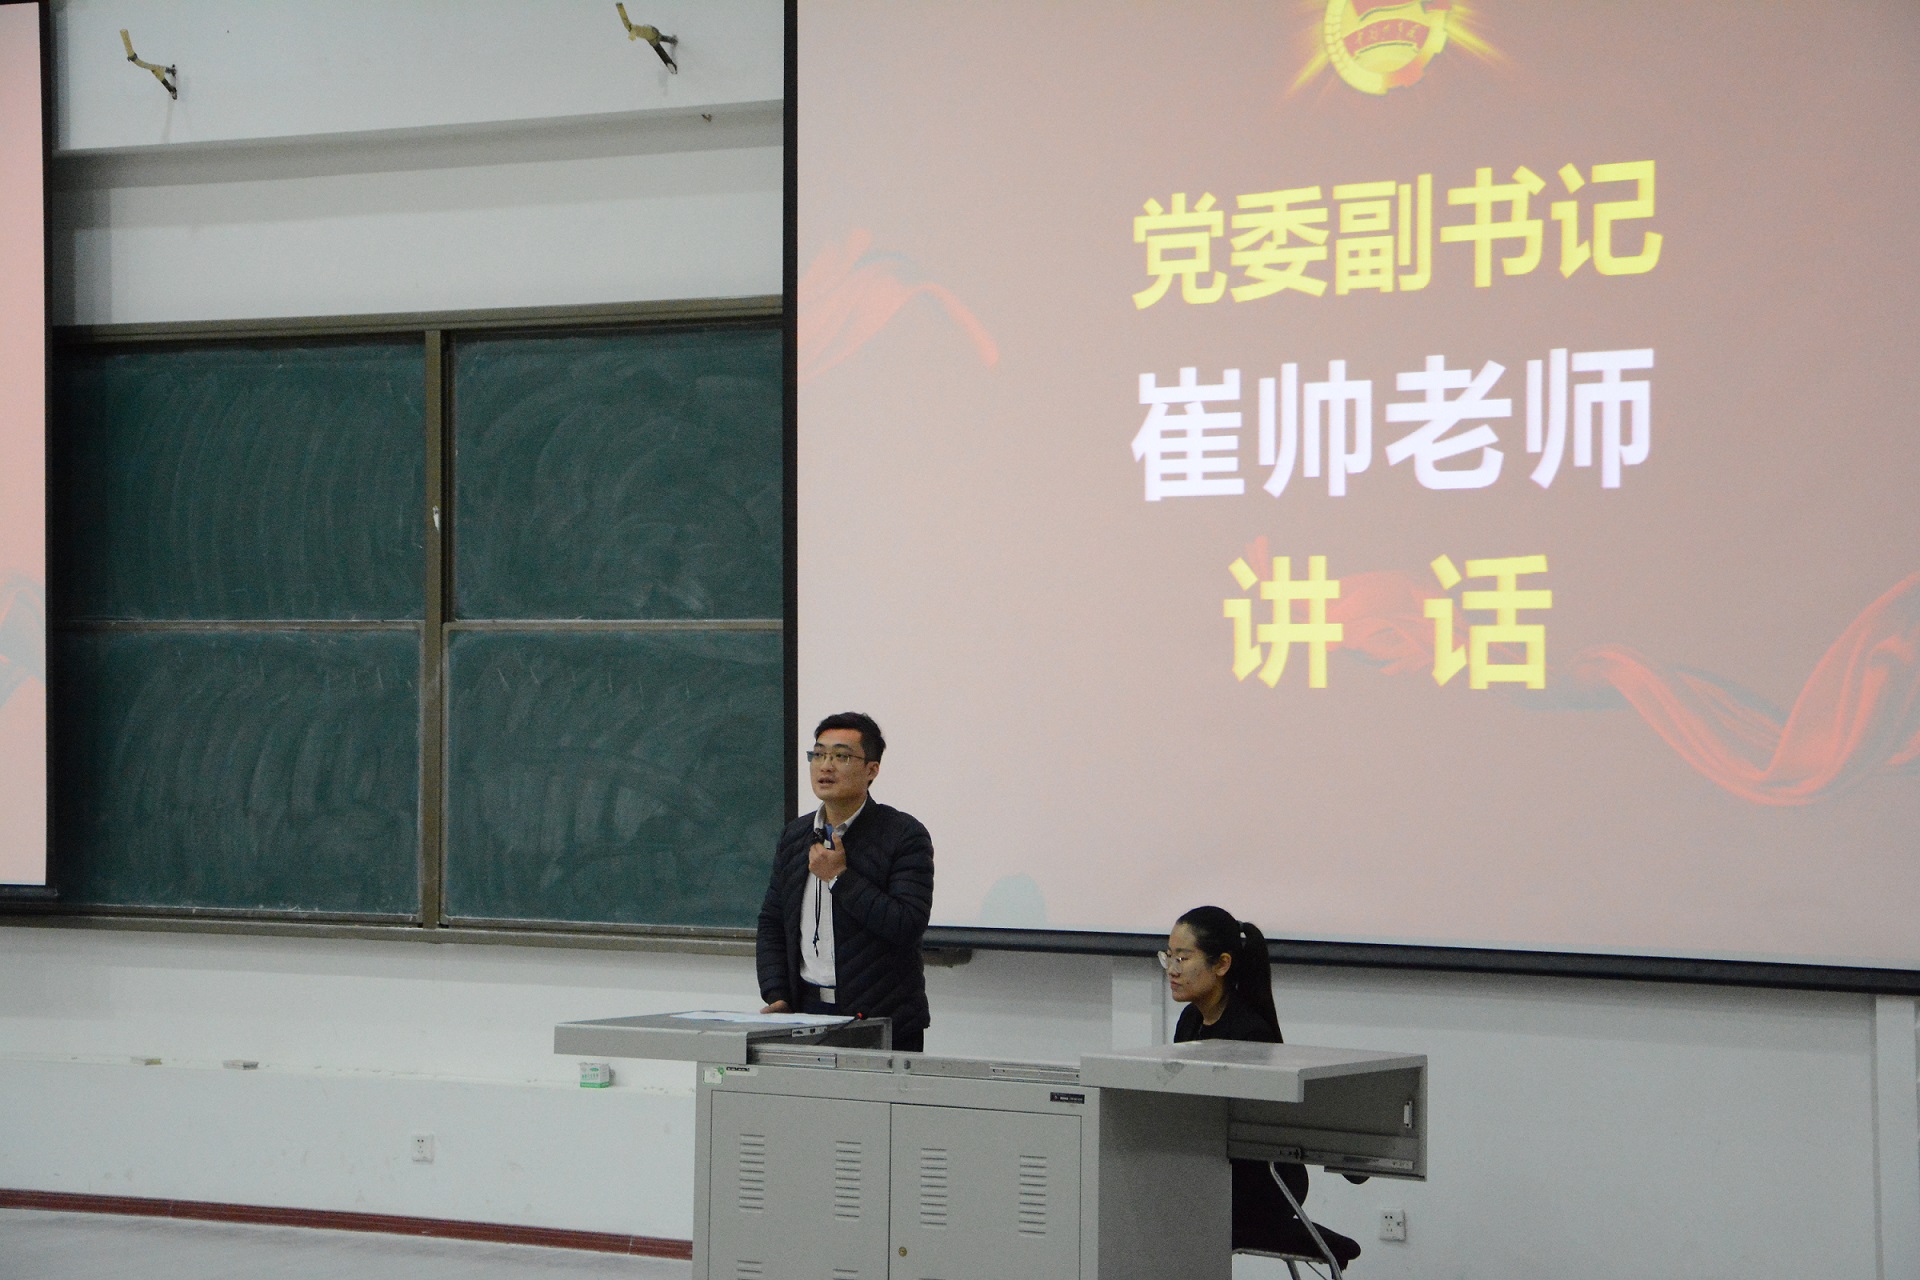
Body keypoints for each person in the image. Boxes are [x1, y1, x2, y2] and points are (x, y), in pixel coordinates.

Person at [1165, 905, 1362, 1268]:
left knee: (1165, 1216)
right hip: (1214, 1169)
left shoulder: (1249, 1032)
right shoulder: (1190, 1020)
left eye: (1183, 957)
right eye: (1168, 956)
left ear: (1221, 965)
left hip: (1260, 1182)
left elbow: (1244, 1125)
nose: (1172, 970)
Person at [756, 712, 935, 1052]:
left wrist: (840, 877)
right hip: (804, 1015)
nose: (826, 766)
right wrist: (777, 993)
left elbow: (906, 924)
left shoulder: (903, 835)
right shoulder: (796, 836)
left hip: (881, 1021)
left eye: (841, 756)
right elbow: (773, 922)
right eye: (818, 754)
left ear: (871, 770)